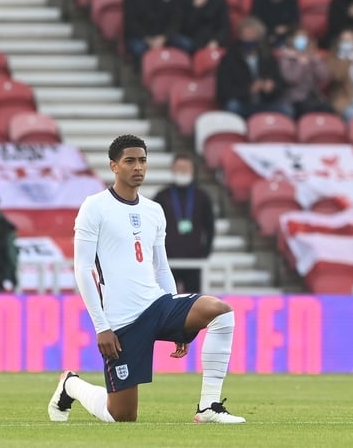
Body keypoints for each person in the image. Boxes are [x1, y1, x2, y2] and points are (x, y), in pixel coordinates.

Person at [47, 135, 245, 424]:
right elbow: (83, 268)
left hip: (157, 305)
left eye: (142, 160)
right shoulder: (95, 207)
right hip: (123, 320)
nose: (138, 167)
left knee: (221, 312)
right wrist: (102, 326)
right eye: (130, 161)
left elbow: (162, 268)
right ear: (114, 166)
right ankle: (70, 385)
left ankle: (208, 407)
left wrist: (178, 321)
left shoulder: (154, 210)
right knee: (122, 416)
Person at [152, 153, 216, 294]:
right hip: (168, 262)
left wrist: (205, 253)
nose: (182, 171)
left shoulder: (201, 196)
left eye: (186, 168)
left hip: (194, 261)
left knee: (193, 303)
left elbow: (210, 226)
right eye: (179, 168)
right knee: (168, 301)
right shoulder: (162, 196)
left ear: (192, 170)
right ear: (173, 169)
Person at [215, 16, 294, 119]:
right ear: (239, 36)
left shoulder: (268, 57)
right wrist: (249, 90)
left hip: (265, 102)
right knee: (232, 107)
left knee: (287, 109)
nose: (249, 40)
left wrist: (271, 87)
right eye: (246, 36)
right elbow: (223, 92)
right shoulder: (229, 59)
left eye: (252, 36)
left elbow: (280, 83)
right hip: (243, 103)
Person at [279, 27, 334, 118]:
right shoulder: (285, 58)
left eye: (304, 37)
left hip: (314, 97)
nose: (302, 40)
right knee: (309, 110)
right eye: (299, 37)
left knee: (329, 110)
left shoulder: (312, 56)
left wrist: (315, 60)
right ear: (291, 40)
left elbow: (325, 76)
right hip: (294, 98)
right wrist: (301, 63)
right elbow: (291, 79)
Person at [122, 0, 188, 70]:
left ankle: (180, 73)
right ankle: (145, 75)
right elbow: (130, 23)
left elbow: (175, 20)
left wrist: (164, 37)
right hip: (140, 36)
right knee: (139, 50)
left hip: (164, 35)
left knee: (185, 45)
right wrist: (148, 40)